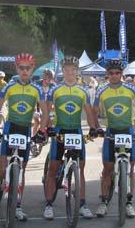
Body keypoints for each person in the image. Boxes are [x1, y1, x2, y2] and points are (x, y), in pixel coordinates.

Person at [0, 53, 49, 221]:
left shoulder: (36, 89)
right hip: (10, 127)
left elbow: (45, 113)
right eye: (21, 67)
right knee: (2, 168)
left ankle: (18, 205)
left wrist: (41, 132)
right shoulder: (9, 87)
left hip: (25, 130)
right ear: (16, 68)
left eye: (27, 68)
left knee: (22, 171)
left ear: (32, 69)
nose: (24, 71)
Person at [39, 56, 98, 220]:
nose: (70, 72)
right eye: (67, 69)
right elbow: (48, 111)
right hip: (59, 131)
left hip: (76, 132)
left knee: (81, 170)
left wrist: (93, 129)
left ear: (77, 71)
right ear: (62, 71)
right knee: (53, 168)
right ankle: (49, 204)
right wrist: (47, 128)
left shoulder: (83, 90)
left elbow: (89, 112)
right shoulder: (54, 90)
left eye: (73, 69)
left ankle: (82, 204)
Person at [94, 59, 135, 219]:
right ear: (107, 74)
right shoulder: (101, 90)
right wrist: (97, 127)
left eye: (117, 73)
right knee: (107, 170)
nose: (114, 76)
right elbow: (93, 111)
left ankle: (129, 203)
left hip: (128, 132)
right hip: (111, 132)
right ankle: (104, 202)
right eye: (111, 73)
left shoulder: (132, 88)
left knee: (131, 170)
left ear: (121, 74)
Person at [33, 68, 56, 135]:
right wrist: (34, 110)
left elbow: (55, 99)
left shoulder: (53, 85)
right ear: (44, 78)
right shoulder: (37, 84)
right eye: (49, 79)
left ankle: (45, 135)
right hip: (37, 105)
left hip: (48, 106)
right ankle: (34, 139)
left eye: (51, 79)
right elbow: (33, 98)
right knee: (37, 122)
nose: (50, 81)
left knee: (50, 121)